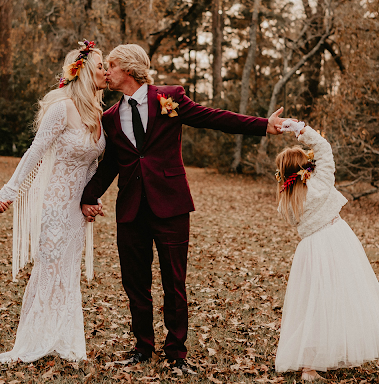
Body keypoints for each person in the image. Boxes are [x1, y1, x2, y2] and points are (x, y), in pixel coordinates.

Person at [80, 44, 290, 374]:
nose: (106, 71)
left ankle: (177, 354)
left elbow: (213, 118)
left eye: (112, 65)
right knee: (135, 283)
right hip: (130, 211)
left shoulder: (168, 99)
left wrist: (263, 125)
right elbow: (109, 167)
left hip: (171, 206)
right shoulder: (108, 118)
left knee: (174, 283)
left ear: (131, 69)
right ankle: (143, 348)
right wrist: (87, 196)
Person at [0, 40, 106, 363]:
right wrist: (10, 191)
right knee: (50, 268)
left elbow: (95, 164)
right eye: (100, 66)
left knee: (69, 271)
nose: (106, 72)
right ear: (82, 72)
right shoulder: (62, 108)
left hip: (77, 211)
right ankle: (35, 339)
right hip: (55, 204)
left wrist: (92, 199)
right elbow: (35, 152)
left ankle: (63, 339)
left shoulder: (98, 113)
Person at [272, 120, 379, 381]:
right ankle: (326, 355)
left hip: (310, 250)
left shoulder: (286, 202)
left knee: (313, 303)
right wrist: (299, 129)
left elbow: (299, 182)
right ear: (307, 170)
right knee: (342, 296)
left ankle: (310, 364)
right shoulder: (321, 184)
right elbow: (323, 148)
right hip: (336, 241)